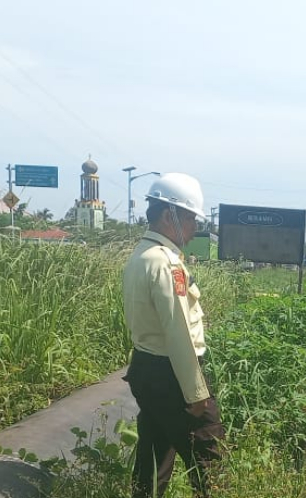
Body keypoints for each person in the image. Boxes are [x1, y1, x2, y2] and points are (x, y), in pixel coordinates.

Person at [122, 173, 226, 498]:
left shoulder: (140, 256)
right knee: (209, 457)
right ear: (170, 216)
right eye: (191, 218)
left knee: (155, 457)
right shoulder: (167, 265)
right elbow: (178, 332)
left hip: (147, 369)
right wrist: (196, 395)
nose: (195, 227)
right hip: (173, 376)